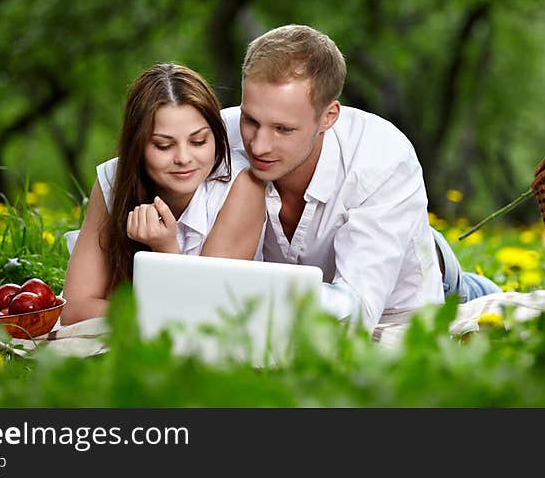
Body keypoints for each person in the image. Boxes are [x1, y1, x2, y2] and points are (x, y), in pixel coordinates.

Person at [221, 24, 500, 337]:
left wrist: (255, 295)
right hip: (358, 259)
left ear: (329, 116)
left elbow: (355, 315)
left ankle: (485, 288)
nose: (258, 145)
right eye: (250, 120)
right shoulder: (214, 139)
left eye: (283, 130)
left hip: (410, 295)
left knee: (495, 308)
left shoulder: (382, 158)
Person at [61, 63, 266, 325]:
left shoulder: (242, 184)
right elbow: (75, 309)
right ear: (138, 147)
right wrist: (160, 309)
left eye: (198, 141)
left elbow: (203, 316)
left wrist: (164, 248)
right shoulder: (115, 180)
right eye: (163, 145)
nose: (183, 158)